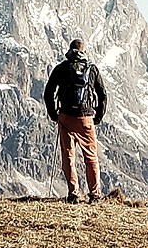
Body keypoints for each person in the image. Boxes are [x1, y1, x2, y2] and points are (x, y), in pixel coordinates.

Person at [42, 38, 108, 203]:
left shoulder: (62, 68)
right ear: (84, 51)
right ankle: (95, 194)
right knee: (91, 157)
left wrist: (53, 114)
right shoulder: (92, 69)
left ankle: (74, 194)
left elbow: (48, 91)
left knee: (68, 156)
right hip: (86, 118)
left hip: (65, 117)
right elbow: (103, 94)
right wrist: (97, 116)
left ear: (70, 51)